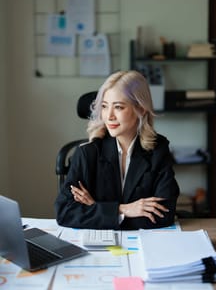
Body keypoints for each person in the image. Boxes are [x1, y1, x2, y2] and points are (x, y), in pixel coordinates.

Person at [55, 70, 179, 230]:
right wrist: (123, 210)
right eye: (105, 107)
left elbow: (164, 214)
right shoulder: (87, 153)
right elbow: (65, 213)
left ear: (141, 109)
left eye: (118, 107)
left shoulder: (158, 150)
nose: (109, 116)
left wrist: (96, 208)